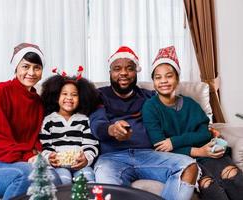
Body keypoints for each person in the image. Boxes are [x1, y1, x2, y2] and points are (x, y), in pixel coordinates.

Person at [89, 46, 199, 200]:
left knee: (189, 167)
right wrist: (112, 129)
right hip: (112, 158)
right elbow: (97, 124)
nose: (123, 73)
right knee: (108, 188)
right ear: (110, 72)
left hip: (149, 156)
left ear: (136, 72)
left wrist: (204, 129)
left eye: (129, 68)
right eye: (117, 68)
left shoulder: (149, 97)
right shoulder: (99, 95)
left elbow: (176, 117)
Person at [142, 46, 243, 200]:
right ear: (154, 81)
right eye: (158, 77)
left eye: (168, 76)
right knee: (208, 185)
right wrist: (197, 150)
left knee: (233, 174)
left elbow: (204, 133)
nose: (163, 81)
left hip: (208, 153)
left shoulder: (190, 104)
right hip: (182, 161)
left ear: (177, 79)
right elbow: (161, 149)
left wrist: (174, 141)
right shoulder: (150, 107)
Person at [0, 43, 61, 200]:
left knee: (54, 180)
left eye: (36, 67)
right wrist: (27, 157)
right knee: (29, 174)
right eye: (25, 66)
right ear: (16, 67)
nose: (31, 72)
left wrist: (41, 155)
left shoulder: (37, 102)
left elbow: (35, 140)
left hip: (17, 163)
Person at [39, 71, 100, 185]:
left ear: (80, 98)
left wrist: (86, 159)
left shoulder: (84, 120)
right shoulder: (48, 121)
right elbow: (44, 145)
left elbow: (90, 144)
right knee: (63, 181)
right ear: (57, 97)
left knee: (88, 178)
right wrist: (49, 158)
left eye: (74, 94)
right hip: (59, 166)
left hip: (80, 164)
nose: (69, 98)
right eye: (64, 94)